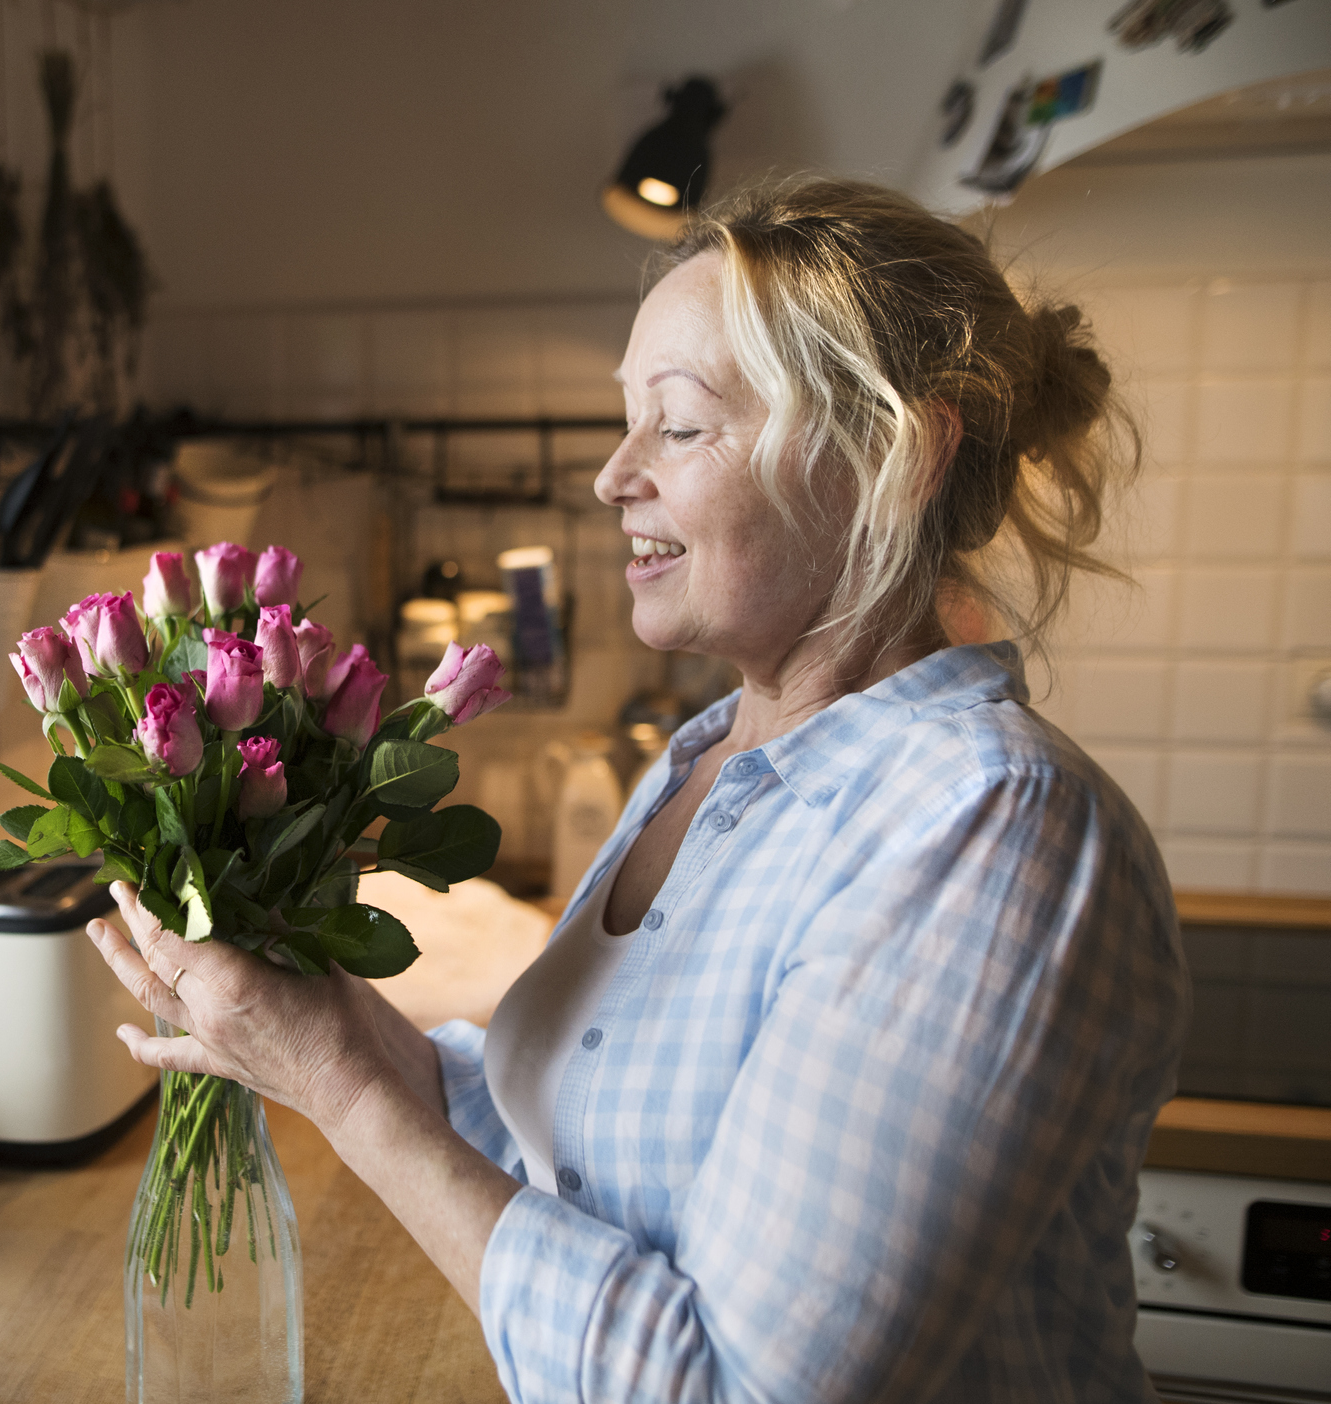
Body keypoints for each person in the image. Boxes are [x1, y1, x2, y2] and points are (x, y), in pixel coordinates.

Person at [86, 177, 1188, 1404]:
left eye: (678, 426)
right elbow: (567, 1162)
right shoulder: (707, 760)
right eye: (627, 422)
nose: (614, 477)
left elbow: (728, 1389)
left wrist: (341, 1092)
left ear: (890, 457)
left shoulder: (984, 826)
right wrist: (307, 1026)